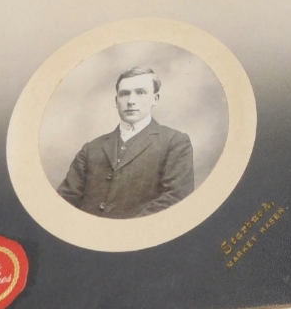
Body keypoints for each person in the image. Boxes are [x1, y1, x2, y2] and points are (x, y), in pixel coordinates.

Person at [58, 67, 194, 219]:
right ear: (116, 101)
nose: (131, 101)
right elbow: (65, 199)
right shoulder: (91, 148)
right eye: (124, 94)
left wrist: (126, 232)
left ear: (155, 99)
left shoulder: (174, 142)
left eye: (140, 92)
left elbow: (176, 198)